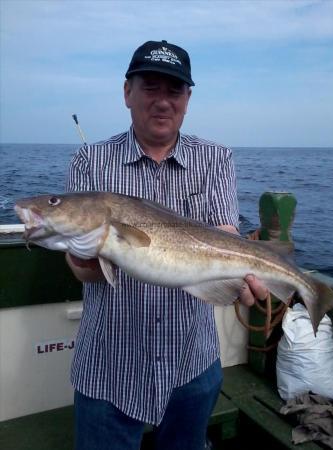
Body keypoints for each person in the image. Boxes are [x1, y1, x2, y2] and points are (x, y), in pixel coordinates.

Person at [66, 40, 268, 450]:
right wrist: (87, 251)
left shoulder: (216, 159)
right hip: (109, 369)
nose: (163, 102)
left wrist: (241, 279)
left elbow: (225, 235)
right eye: (150, 87)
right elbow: (82, 271)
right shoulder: (90, 162)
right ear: (127, 93)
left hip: (191, 365)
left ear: (188, 100)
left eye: (173, 91)